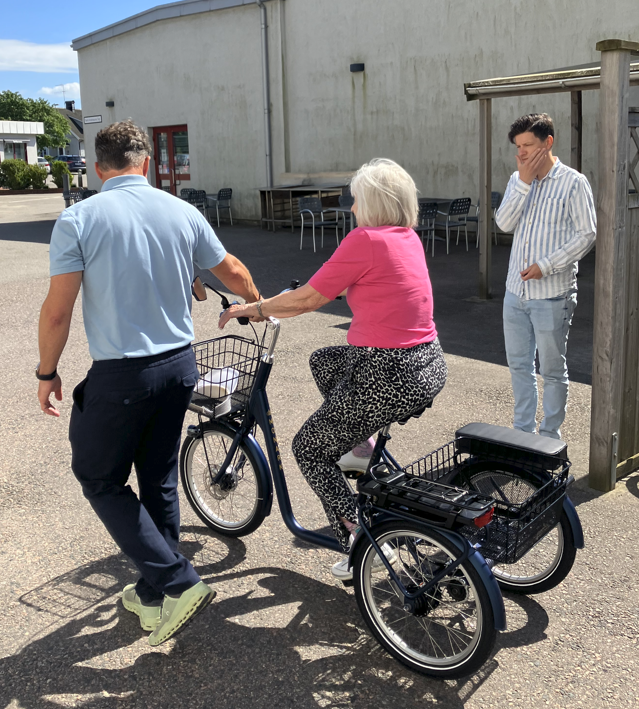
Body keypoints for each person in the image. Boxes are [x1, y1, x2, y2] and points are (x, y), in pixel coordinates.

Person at [37, 120, 260, 645]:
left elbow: (57, 313)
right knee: (156, 473)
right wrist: (253, 304)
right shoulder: (181, 211)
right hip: (180, 366)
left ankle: (178, 581)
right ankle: (155, 590)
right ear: (146, 163)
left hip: (122, 373)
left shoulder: (79, 218)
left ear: (97, 168)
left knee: (97, 476)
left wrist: (46, 372)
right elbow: (231, 269)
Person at [219, 158, 447, 579]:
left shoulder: (365, 239)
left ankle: (361, 537)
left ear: (374, 204)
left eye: (358, 200)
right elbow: (385, 285)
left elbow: (307, 300)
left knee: (309, 448)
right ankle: (360, 449)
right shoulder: (407, 238)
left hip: (385, 371)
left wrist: (253, 308)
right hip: (426, 363)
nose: (354, 209)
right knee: (323, 360)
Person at [495, 113, 596, 439]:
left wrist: (547, 264)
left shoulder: (573, 182)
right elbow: (504, 224)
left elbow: (586, 234)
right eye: (518, 146)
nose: (521, 152)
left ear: (547, 142)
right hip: (515, 294)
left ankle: (549, 437)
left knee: (552, 370)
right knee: (519, 367)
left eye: (527, 145)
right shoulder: (517, 180)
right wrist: (523, 183)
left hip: (552, 294)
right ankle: (523, 434)